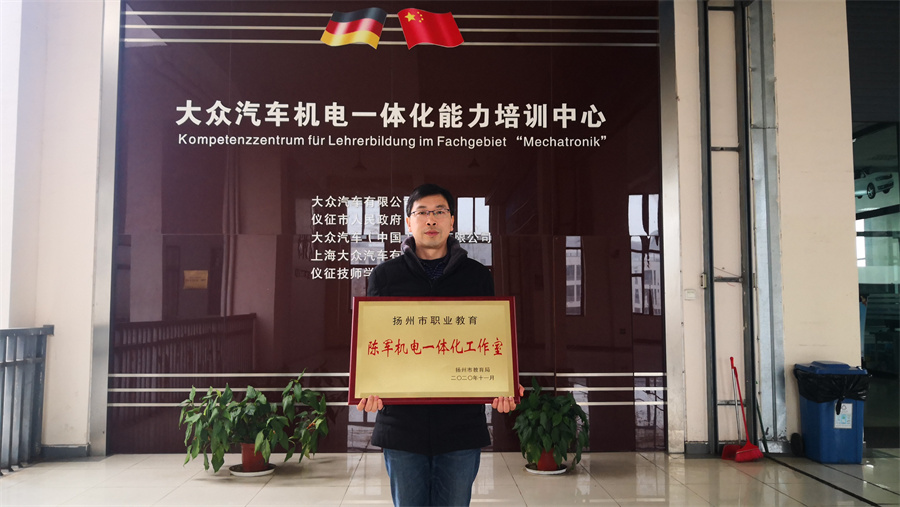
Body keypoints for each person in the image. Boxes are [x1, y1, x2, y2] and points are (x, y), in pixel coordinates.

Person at [357, 183, 523, 507]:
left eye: (439, 212)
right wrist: (368, 384)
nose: (431, 219)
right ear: (409, 222)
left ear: (451, 221)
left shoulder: (477, 277)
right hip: (402, 425)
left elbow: (489, 339)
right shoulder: (384, 276)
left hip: (460, 426)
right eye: (422, 212)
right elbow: (372, 344)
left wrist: (503, 381)